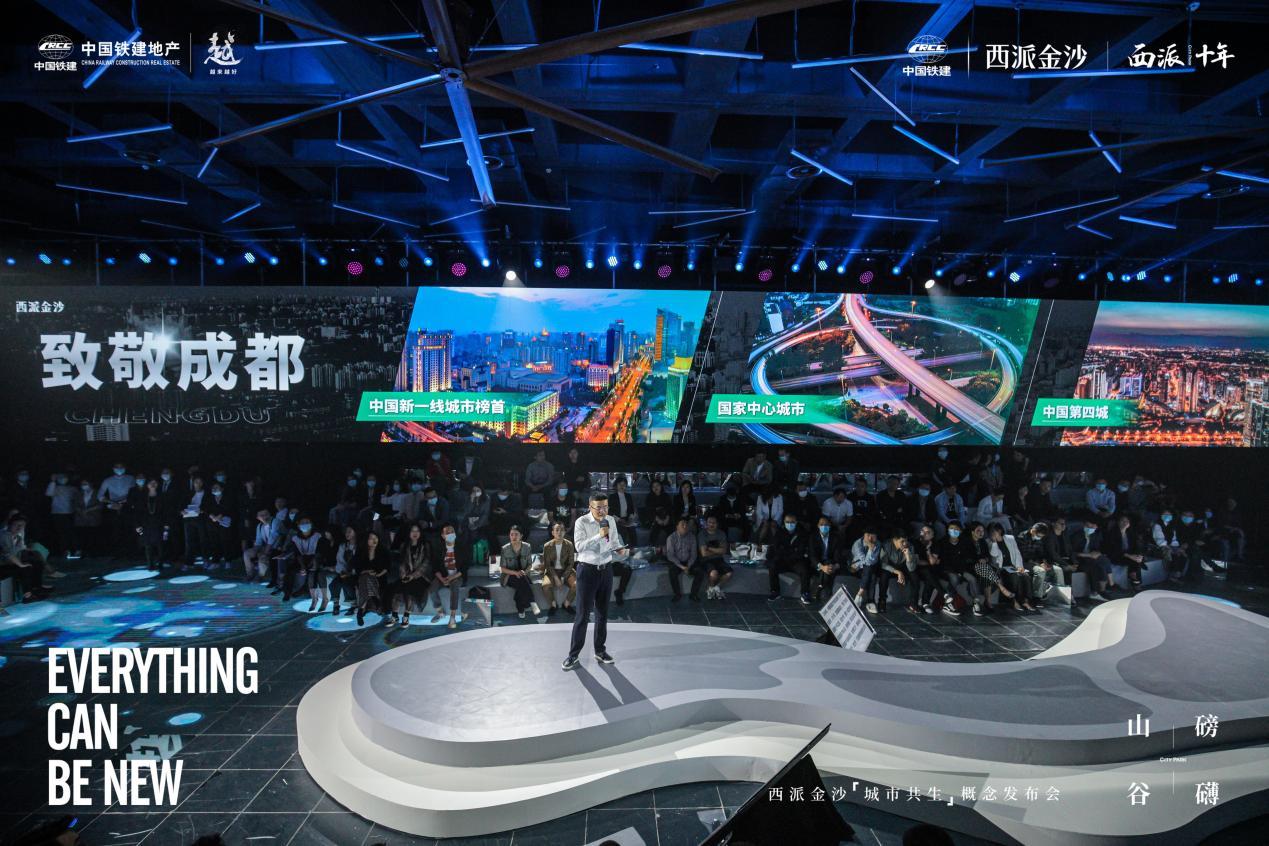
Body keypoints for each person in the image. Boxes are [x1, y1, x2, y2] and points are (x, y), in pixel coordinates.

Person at [563, 493, 625, 670]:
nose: (603, 511)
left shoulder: (610, 520)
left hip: (606, 570)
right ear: (590, 507)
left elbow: (613, 541)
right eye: (599, 507)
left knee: (602, 614)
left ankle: (600, 650)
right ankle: (573, 655)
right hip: (587, 571)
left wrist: (619, 549)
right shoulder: (581, 522)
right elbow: (579, 546)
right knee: (582, 615)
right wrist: (599, 535)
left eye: (605, 507)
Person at [936, 521, 983, 617]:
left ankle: (976, 603)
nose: (954, 531)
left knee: (972, 579)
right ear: (947, 530)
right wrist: (956, 572)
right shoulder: (942, 542)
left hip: (961, 569)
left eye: (956, 529)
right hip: (946, 569)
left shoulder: (965, 542)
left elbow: (968, 558)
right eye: (951, 529)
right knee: (954, 578)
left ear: (960, 531)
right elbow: (943, 561)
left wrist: (960, 571)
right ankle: (948, 604)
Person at [987, 522, 1035, 611]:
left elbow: (1017, 553)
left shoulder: (1010, 538)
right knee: (1014, 577)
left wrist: (1019, 566)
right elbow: (994, 554)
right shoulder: (989, 542)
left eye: (994, 531)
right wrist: (994, 542)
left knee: (1026, 577)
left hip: (1013, 566)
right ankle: (1015, 601)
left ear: (999, 531)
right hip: (1001, 568)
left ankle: (1026, 601)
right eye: (991, 532)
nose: (992, 534)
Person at [0, 515, 46, 608]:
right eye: (17, 525)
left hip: (10, 563)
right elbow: (7, 553)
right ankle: (29, 594)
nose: (19, 528)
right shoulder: (3, 536)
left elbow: (21, 549)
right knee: (24, 567)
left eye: (22, 526)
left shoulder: (18, 536)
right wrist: (20, 564)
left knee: (33, 562)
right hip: (3, 565)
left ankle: (33, 592)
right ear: (10, 524)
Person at [767, 513, 812, 605]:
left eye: (792, 522)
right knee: (772, 567)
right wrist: (789, 551)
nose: (790, 524)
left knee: (804, 570)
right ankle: (775, 591)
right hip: (782, 560)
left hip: (796, 561)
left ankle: (805, 593)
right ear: (784, 522)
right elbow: (776, 547)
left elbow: (801, 549)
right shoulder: (779, 532)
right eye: (787, 522)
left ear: (796, 522)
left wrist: (788, 551)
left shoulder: (802, 533)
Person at [392, 523, 431, 627]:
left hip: (421, 576)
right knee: (397, 589)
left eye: (417, 531)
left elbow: (425, 564)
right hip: (406, 575)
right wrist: (403, 575)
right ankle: (394, 615)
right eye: (412, 531)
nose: (415, 533)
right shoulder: (404, 545)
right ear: (409, 533)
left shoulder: (425, 545)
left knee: (409, 589)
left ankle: (406, 616)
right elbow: (402, 563)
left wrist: (413, 576)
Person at [430, 523, 468, 628]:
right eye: (447, 532)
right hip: (443, 576)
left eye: (452, 531)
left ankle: (452, 617)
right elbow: (435, 567)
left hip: (457, 576)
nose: (450, 534)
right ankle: (440, 611)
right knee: (432, 588)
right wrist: (442, 579)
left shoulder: (461, 547)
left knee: (454, 587)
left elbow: (465, 568)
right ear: (443, 536)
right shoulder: (439, 548)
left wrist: (452, 577)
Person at [500, 525, 541, 619]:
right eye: (511, 534)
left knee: (521, 582)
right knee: (521, 580)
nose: (514, 537)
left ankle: (521, 609)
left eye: (516, 534)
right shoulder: (505, 549)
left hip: (524, 574)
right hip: (509, 576)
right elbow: (503, 569)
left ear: (521, 536)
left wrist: (524, 572)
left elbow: (530, 564)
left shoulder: (527, 546)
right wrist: (515, 573)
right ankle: (532, 602)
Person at [97, 462, 135, 555]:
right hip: (113, 507)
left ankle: (130, 552)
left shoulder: (130, 478)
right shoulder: (107, 480)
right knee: (115, 530)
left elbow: (134, 493)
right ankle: (116, 553)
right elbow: (100, 496)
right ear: (113, 469)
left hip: (127, 506)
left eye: (121, 467)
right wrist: (112, 502)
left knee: (128, 529)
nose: (119, 469)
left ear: (125, 468)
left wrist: (123, 502)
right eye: (117, 467)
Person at [353, 530, 389, 626]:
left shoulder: (383, 551)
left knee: (367, 580)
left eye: (375, 538)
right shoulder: (361, 551)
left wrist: (378, 574)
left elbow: (387, 567)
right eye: (371, 538)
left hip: (379, 577)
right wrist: (367, 571)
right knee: (366, 578)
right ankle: (376, 600)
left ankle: (360, 610)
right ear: (366, 540)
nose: (374, 540)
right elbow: (357, 568)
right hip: (364, 577)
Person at [540, 521, 577, 616]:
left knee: (577, 584)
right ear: (553, 532)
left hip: (566, 571)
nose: (559, 532)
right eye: (557, 530)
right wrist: (556, 578)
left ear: (565, 532)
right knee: (545, 585)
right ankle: (553, 605)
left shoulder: (569, 544)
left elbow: (571, 563)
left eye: (562, 530)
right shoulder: (547, 546)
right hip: (552, 572)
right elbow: (548, 565)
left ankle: (566, 604)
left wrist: (563, 578)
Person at [908, 524, 945, 614]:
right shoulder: (915, 542)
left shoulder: (935, 544)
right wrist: (930, 562)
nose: (923, 534)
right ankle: (943, 594)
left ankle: (925, 603)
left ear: (932, 535)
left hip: (927, 570)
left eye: (927, 532)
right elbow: (917, 562)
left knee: (930, 573)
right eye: (922, 531)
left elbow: (932, 562)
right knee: (928, 571)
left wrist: (928, 550)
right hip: (914, 568)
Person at [1074, 516, 1112, 600]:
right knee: (1096, 564)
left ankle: (1102, 590)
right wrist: (1089, 555)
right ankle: (1099, 590)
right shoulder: (1077, 536)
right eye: (1088, 526)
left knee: (1103, 561)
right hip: (1080, 559)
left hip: (1091, 558)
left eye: (1093, 527)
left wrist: (1097, 553)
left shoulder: (1094, 535)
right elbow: (1073, 553)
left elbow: (1097, 548)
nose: (1091, 528)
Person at [810, 515, 847, 602]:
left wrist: (835, 566)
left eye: (826, 525)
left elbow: (837, 554)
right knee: (826, 569)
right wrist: (822, 567)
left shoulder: (836, 537)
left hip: (831, 562)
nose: (824, 526)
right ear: (818, 526)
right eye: (821, 524)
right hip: (818, 563)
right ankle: (827, 591)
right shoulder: (813, 537)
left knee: (828, 566)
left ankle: (820, 586)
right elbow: (812, 555)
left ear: (830, 526)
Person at [133, 479, 168, 568]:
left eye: (154, 482)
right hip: (146, 523)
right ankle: (150, 563)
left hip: (159, 523)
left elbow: (166, 511)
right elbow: (137, 512)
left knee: (160, 544)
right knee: (147, 544)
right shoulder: (142, 497)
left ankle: (160, 563)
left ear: (157, 484)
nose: (152, 484)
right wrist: (137, 525)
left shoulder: (162, 496)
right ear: (147, 485)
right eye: (150, 483)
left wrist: (166, 524)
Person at [1104, 513, 1145, 588]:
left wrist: (1139, 555)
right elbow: (1113, 549)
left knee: (1137, 559)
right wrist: (1129, 556)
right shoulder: (1112, 533)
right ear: (1118, 522)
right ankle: (1134, 580)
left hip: (1128, 555)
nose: (1125, 523)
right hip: (1116, 555)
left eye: (1127, 521)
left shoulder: (1130, 533)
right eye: (1122, 521)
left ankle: (1134, 578)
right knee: (1133, 560)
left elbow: (1136, 546)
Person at [875, 533, 912, 614]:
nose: (905, 543)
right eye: (902, 541)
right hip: (890, 568)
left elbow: (911, 568)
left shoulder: (909, 546)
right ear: (895, 540)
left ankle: (914, 603)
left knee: (914, 575)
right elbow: (883, 564)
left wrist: (908, 556)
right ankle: (882, 602)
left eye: (906, 541)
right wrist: (898, 572)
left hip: (903, 567)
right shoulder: (886, 545)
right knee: (884, 576)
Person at [697, 515, 732, 600]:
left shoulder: (721, 534)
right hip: (706, 560)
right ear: (706, 523)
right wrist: (718, 550)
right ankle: (710, 588)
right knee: (714, 573)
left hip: (719, 559)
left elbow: (724, 551)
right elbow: (704, 553)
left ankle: (716, 587)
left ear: (717, 524)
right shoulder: (702, 534)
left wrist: (709, 548)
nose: (711, 524)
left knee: (729, 573)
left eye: (714, 523)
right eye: (709, 522)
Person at [849, 528, 884, 613]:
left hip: (869, 567)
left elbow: (872, 561)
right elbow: (863, 559)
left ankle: (859, 595)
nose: (870, 538)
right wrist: (871, 549)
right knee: (871, 574)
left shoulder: (878, 544)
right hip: (857, 568)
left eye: (873, 536)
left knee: (870, 571)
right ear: (864, 535)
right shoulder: (858, 543)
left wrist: (871, 549)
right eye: (868, 535)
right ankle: (870, 602)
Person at [664, 517, 698, 602]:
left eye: (686, 524)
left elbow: (694, 554)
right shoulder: (671, 538)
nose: (685, 526)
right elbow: (670, 556)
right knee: (672, 572)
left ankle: (693, 594)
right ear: (677, 527)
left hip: (688, 561)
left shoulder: (692, 537)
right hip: (677, 562)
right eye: (682, 524)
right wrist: (682, 567)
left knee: (700, 572)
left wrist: (688, 566)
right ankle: (677, 594)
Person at [45, 473, 76, 561]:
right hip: (57, 514)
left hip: (70, 513)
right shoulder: (54, 487)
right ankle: (64, 551)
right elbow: (48, 493)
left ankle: (74, 550)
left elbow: (77, 499)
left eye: (64, 477)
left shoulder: (72, 488)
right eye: (60, 477)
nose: (63, 479)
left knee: (71, 533)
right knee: (61, 533)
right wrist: (52, 481)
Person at [203, 481, 235, 567]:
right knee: (214, 542)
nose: (214, 489)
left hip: (224, 522)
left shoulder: (227, 497)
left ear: (222, 489)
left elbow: (230, 508)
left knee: (225, 541)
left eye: (216, 487)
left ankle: (228, 560)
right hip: (212, 522)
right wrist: (211, 516)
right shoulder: (209, 498)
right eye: (213, 487)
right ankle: (215, 561)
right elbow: (205, 508)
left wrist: (221, 515)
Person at [329, 525, 358, 615]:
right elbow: (340, 560)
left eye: (350, 531)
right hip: (344, 572)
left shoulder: (359, 546)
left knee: (347, 584)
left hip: (356, 573)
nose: (347, 534)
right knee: (333, 584)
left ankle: (354, 605)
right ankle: (336, 605)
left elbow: (360, 562)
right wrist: (342, 571)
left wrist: (351, 572)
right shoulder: (343, 546)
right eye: (346, 532)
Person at [180, 477, 208, 567]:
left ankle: (205, 560)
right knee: (189, 541)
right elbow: (181, 504)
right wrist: (181, 511)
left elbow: (209, 505)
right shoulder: (188, 493)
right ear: (193, 483)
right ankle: (188, 562)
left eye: (200, 482)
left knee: (203, 540)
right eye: (196, 482)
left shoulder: (206, 493)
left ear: (202, 483)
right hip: (188, 518)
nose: (198, 484)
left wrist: (203, 510)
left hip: (201, 518)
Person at [609, 476, 639, 546]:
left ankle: (634, 548)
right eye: (620, 484)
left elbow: (631, 509)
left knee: (632, 530)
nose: (622, 486)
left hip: (627, 519)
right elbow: (610, 511)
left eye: (624, 485)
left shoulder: (628, 496)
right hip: (616, 519)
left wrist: (631, 518)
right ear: (616, 486)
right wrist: (618, 519)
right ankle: (623, 548)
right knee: (622, 531)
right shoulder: (612, 496)